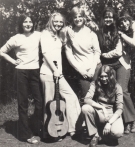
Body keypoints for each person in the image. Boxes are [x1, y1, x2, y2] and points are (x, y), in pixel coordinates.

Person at [0, 14, 42, 144]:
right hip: (21, 71)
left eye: (30, 21)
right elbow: (1, 51)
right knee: (23, 104)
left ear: (33, 23)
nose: (28, 24)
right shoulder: (16, 38)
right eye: (25, 22)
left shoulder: (38, 35)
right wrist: (13, 61)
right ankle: (26, 135)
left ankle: (35, 127)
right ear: (21, 24)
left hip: (35, 71)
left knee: (40, 102)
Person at [40, 12, 82, 140]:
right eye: (55, 21)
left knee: (72, 97)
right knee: (49, 104)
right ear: (50, 21)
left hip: (59, 74)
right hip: (48, 73)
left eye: (60, 22)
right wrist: (54, 70)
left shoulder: (58, 35)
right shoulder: (45, 34)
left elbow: (66, 38)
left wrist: (68, 29)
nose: (58, 24)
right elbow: (46, 53)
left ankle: (73, 128)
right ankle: (48, 133)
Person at [97, 7, 135, 134]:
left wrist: (104, 55)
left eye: (111, 17)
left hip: (120, 64)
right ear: (103, 19)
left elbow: (118, 51)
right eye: (106, 17)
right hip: (108, 67)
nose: (108, 19)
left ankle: (133, 120)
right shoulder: (99, 33)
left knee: (123, 91)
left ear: (114, 19)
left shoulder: (118, 31)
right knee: (113, 92)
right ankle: (124, 122)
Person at [64, 7, 101, 99]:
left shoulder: (91, 33)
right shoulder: (69, 33)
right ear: (72, 19)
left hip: (95, 68)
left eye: (80, 16)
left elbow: (97, 52)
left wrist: (93, 69)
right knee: (87, 98)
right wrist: (81, 70)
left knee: (100, 97)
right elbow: (69, 56)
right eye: (75, 17)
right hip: (81, 71)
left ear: (84, 17)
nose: (78, 19)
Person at [82, 65, 124, 147]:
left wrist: (109, 123)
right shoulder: (95, 84)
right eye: (101, 76)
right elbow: (86, 99)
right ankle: (95, 134)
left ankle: (104, 131)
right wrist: (102, 107)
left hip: (112, 115)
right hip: (100, 113)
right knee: (85, 108)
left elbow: (120, 109)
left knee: (117, 133)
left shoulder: (117, 87)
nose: (103, 79)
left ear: (110, 76)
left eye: (106, 76)